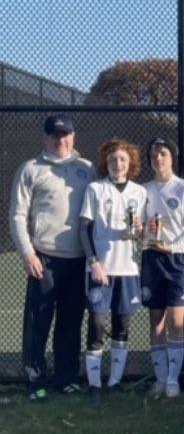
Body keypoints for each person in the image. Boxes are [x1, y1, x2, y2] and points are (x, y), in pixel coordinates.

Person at [10, 114, 95, 400]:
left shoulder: (87, 169)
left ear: (74, 136)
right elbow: (18, 215)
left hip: (79, 259)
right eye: (56, 135)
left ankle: (66, 379)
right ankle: (35, 382)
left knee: (71, 321)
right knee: (39, 322)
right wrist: (28, 252)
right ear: (46, 138)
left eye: (66, 135)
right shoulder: (30, 169)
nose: (62, 140)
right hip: (44, 259)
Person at [79, 138, 148, 401]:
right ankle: (94, 385)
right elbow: (84, 228)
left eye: (122, 159)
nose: (117, 164)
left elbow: (142, 236)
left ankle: (115, 381)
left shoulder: (139, 193)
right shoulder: (95, 189)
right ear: (105, 163)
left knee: (122, 326)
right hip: (101, 270)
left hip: (128, 269)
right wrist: (94, 262)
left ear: (130, 164)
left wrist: (141, 231)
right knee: (97, 323)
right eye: (112, 159)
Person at [142, 137, 184, 398]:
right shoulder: (142, 190)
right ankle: (160, 377)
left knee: (176, 322)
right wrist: (147, 231)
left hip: (178, 261)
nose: (159, 159)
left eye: (163, 154)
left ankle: (173, 380)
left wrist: (175, 246)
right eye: (154, 154)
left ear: (172, 158)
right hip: (151, 259)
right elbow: (135, 227)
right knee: (156, 320)